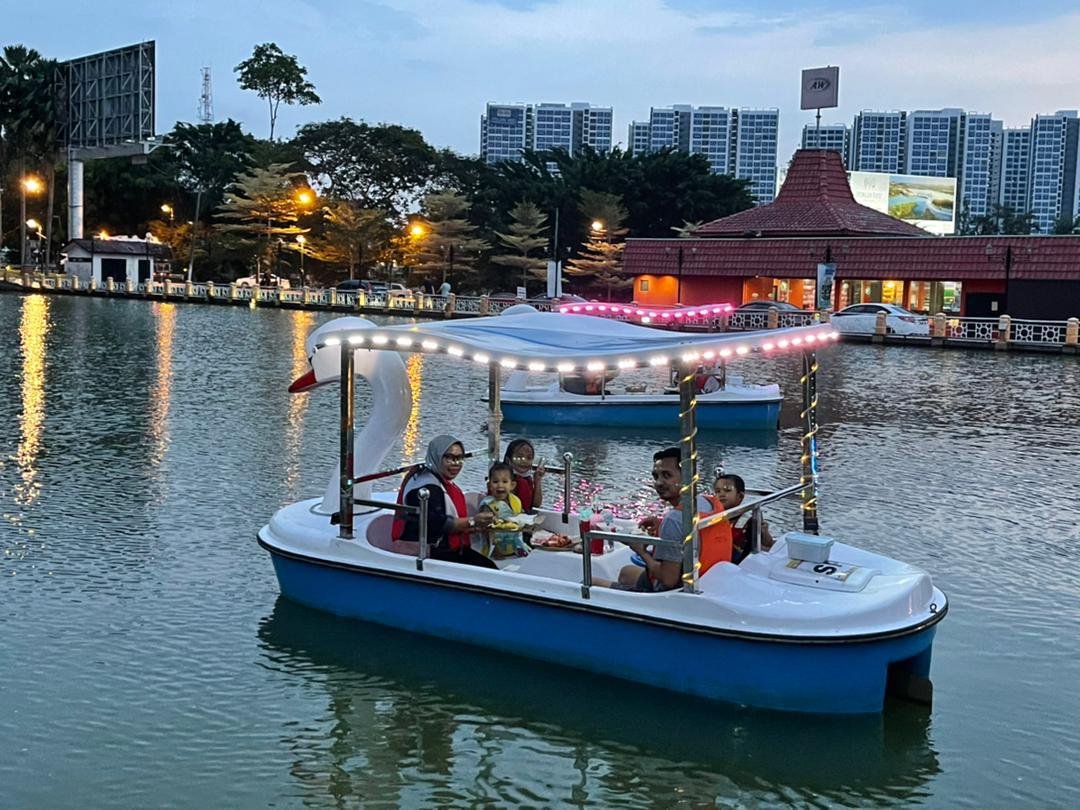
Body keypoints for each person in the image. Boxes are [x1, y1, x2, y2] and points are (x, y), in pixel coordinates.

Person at [394, 435, 496, 568]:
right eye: (449, 458)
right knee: (491, 571)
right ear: (436, 456)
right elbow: (437, 524)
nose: (455, 463)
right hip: (431, 555)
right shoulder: (428, 488)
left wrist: (474, 526)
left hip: (448, 549)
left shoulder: (436, 478)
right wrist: (473, 521)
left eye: (460, 458)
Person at [611, 447, 687, 592]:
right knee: (626, 572)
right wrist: (660, 526)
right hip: (700, 579)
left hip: (669, 594)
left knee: (589, 582)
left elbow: (669, 580)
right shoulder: (708, 503)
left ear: (688, 477)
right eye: (656, 476)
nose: (658, 483)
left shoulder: (674, 520)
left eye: (667, 475)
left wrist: (641, 551)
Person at [714, 473, 774, 564]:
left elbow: (768, 544)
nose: (721, 494)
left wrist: (764, 532)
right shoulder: (712, 517)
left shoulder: (750, 519)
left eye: (727, 490)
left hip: (739, 564)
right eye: (718, 491)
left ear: (740, 496)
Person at [479, 462, 529, 559]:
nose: (500, 485)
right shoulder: (488, 505)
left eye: (505, 482)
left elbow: (521, 517)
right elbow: (486, 530)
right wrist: (494, 550)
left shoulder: (516, 501)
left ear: (512, 485)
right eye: (495, 481)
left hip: (516, 547)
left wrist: (528, 524)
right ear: (489, 485)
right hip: (496, 550)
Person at [504, 438, 544, 512]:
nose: (524, 461)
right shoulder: (504, 480)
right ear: (508, 460)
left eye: (529, 458)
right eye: (519, 457)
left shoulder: (527, 479)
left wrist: (537, 480)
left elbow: (536, 504)